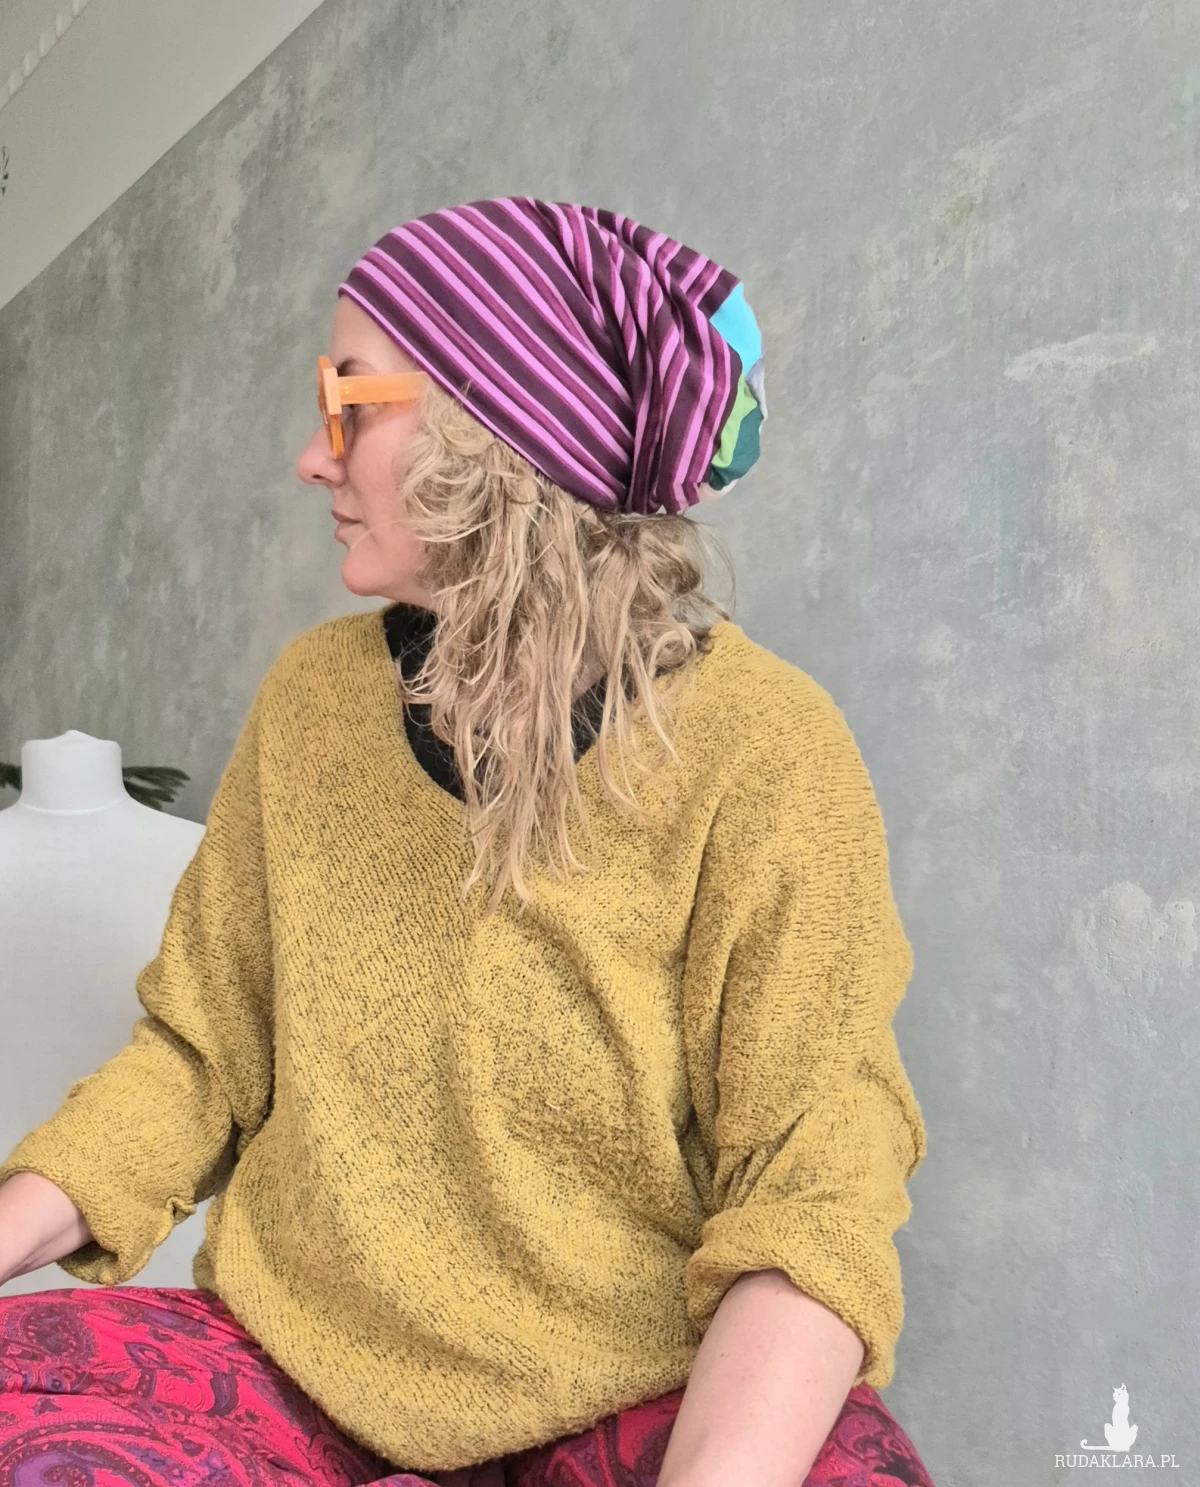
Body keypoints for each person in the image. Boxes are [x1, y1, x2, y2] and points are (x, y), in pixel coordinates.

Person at [0, 197, 937, 1487]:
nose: (312, 459)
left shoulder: (765, 749)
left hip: (617, 1401)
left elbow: (813, 1181)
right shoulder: (311, 704)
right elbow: (205, 1056)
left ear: (499, 431)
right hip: (289, 1373)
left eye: (351, 403)